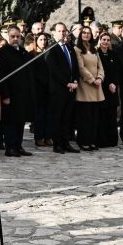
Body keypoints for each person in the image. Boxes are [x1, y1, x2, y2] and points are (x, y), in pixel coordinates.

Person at [0, 25, 35, 157]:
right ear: (7, 36)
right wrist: (5, 95)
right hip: (10, 93)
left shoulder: (23, 52)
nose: (16, 39)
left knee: (20, 120)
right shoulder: (2, 53)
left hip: (22, 93)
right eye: (13, 36)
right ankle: (10, 146)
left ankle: (18, 145)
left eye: (18, 36)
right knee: (10, 121)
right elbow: (1, 76)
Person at [44, 22, 80, 154]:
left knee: (67, 117)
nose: (62, 33)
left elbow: (75, 66)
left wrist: (75, 80)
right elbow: (53, 70)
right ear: (53, 33)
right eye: (59, 31)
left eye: (64, 31)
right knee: (57, 117)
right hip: (58, 89)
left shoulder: (69, 47)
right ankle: (57, 144)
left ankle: (66, 143)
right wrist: (67, 83)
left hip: (71, 88)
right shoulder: (51, 48)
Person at [73, 26, 104, 150]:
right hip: (85, 86)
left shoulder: (94, 49)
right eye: (84, 32)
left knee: (94, 117)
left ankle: (92, 141)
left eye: (88, 33)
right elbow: (81, 68)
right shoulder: (77, 49)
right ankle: (83, 141)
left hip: (97, 86)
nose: (86, 34)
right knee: (85, 117)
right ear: (80, 34)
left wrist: (100, 78)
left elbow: (100, 66)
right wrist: (92, 80)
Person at [96, 32, 120, 147]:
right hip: (102, 88)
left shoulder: (113, 54)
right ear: (100, 40)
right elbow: (100, 72)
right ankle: (102, 140)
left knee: (112, 115)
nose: (105, 42)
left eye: (107, 40)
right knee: (102, 115)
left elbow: (117, 71)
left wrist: (114, 83)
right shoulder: (97, 54)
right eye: (103, 39)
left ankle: (112, 140)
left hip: (113, 89)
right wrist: (108, 83)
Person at [31, 32, 52, 147]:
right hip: (38, 88)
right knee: (39, 114)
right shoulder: (32, 54)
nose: (43, 42)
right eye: (40, 40)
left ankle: (48, 136)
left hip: (49, 88)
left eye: (45, 40)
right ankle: (39, 137)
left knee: (48, 113)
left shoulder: (50, 53)